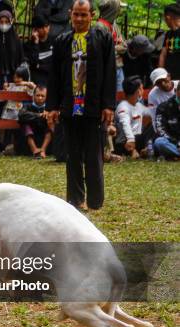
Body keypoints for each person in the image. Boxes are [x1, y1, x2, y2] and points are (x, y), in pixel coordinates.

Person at [46, 0, 116, 211]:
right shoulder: (62, 41)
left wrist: (108, 105)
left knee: (94, 156)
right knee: (73, 155)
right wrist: (52, 106)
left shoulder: (102, 37)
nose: (79, 19)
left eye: (83, 15)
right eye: (76, 14)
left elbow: (110, 73)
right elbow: (54, 77)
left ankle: (95, 201)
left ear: (92, 15)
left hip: (94, 106)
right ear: (70, 14)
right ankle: (76, 200)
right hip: (70, 106)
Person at [114, 76, 153, 158]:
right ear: (138, 91)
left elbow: (152, 113)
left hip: (137, 139)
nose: (143, 90)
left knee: (152, 125)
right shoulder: (123, 107)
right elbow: (125, 125)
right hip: (125, 142)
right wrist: (131, 140)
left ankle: (145, 149)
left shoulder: (138, 105)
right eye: (142, 88)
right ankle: (134, 151)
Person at [0, 10, 25, 90]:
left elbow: (22, 61)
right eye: (1, 22)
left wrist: (19, 74)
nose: (4, 25)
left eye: (7, 22)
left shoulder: (16, 40)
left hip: (13, 80)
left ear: (11, 22)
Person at [95, 0, 126, 92]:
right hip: (107, 68)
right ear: (113, 9)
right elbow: (100, 49)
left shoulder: (114, 25)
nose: (120, 10)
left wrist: (116, 46)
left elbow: (124, 45)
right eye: (119, 7)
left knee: (120, 94)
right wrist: (117, 47)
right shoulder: (100, 27)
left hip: (118, 66)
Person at [19, 85, 52, 159]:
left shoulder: (49, 108)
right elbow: (21, 115)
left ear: (46, 97)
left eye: (42, 96)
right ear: (33, 96)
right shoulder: (27, 106)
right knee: (25, 124)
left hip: (45, 137)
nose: (40, 98)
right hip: (29, 138)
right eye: (37, 95)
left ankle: (43, 150)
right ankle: (34, 150)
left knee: (50, 125)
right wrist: (39, 115)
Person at [24, 14, 54, 87]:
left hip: (51, 81)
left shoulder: (55, 41)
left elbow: (54, 64)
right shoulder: (28, 45)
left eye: (47, 26)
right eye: (42, 27)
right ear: (35, 29)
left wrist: (40, 66)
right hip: (35, 83)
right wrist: (36, 43)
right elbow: (33, 63)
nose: (45, 29)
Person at [154, 84, 180, 159]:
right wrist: (176, 142)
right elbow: (160, 130)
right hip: (171, 142)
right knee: (159, 142)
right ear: (176, 91)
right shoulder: (163, 107)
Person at [159, 3, 180, 80]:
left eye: (164, 18)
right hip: (168, 77)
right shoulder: (168, 34)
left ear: (168, 17)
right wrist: (160, 74)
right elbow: (163, 54)